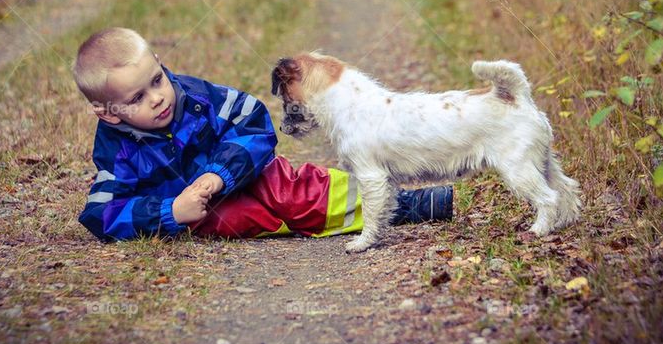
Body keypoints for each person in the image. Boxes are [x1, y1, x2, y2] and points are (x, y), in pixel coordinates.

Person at [71, 27, 454, 241]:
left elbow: (252, 120)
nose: (157, 99)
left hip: (247, 175)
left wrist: (219, 173)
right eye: (137, 98)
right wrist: (170, 211)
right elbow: (101, 213)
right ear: (109, 114)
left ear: (161, 64)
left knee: (293, 192)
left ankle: (400, 204)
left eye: (157, 80)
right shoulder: (117, 153)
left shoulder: (198, 99)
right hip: (200, 211)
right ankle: (330, 217)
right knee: (236, 220)